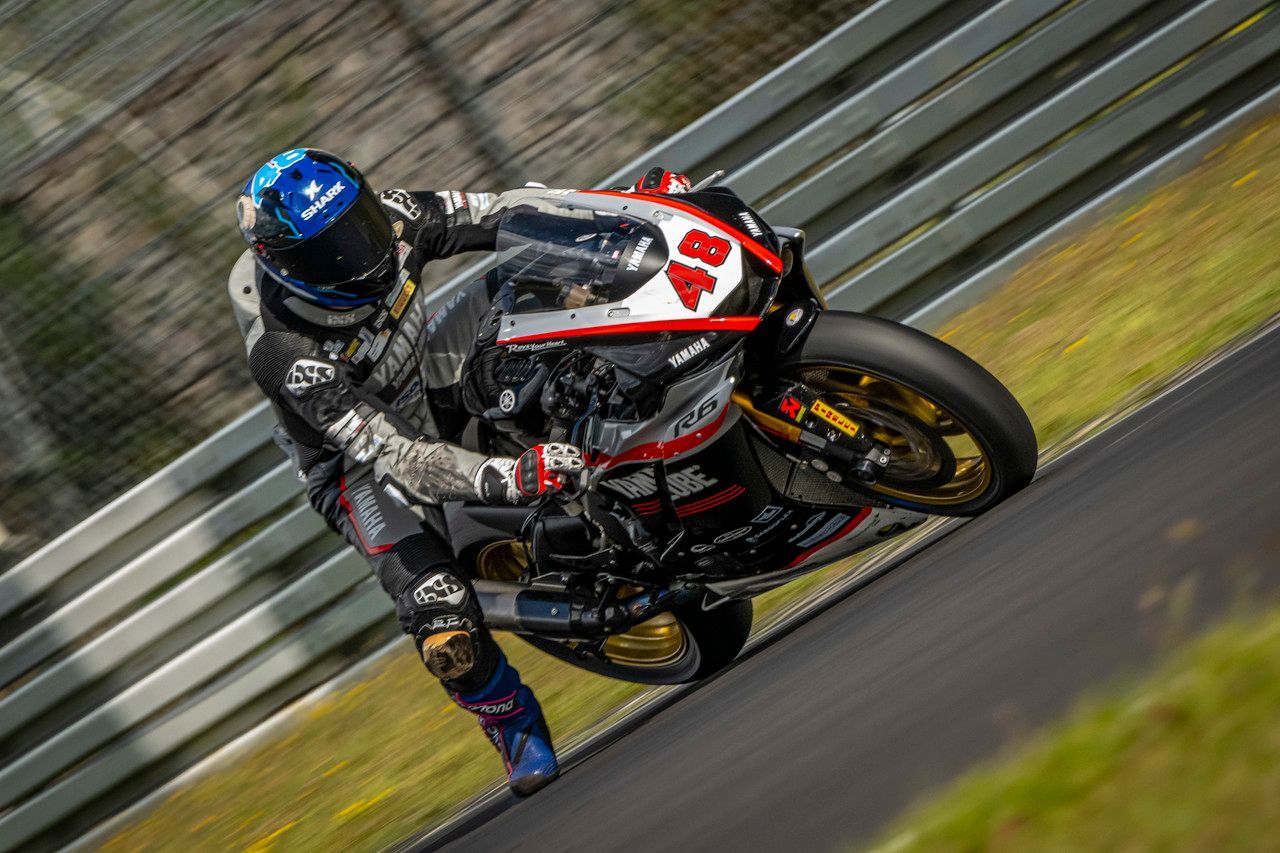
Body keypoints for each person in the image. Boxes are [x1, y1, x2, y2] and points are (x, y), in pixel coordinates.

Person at [227, 148, 690, 795]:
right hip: (359, 466)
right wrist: (510, 477)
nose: (362, 256)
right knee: (439, 616)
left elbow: (510, 211)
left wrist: (628, 214)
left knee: (540, 272)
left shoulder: (397, 216)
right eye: (329, 253)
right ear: (284, 267)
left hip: (426, 373)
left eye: (357, 226)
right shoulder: (284, 351)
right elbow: (399, 457)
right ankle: (512, 722)